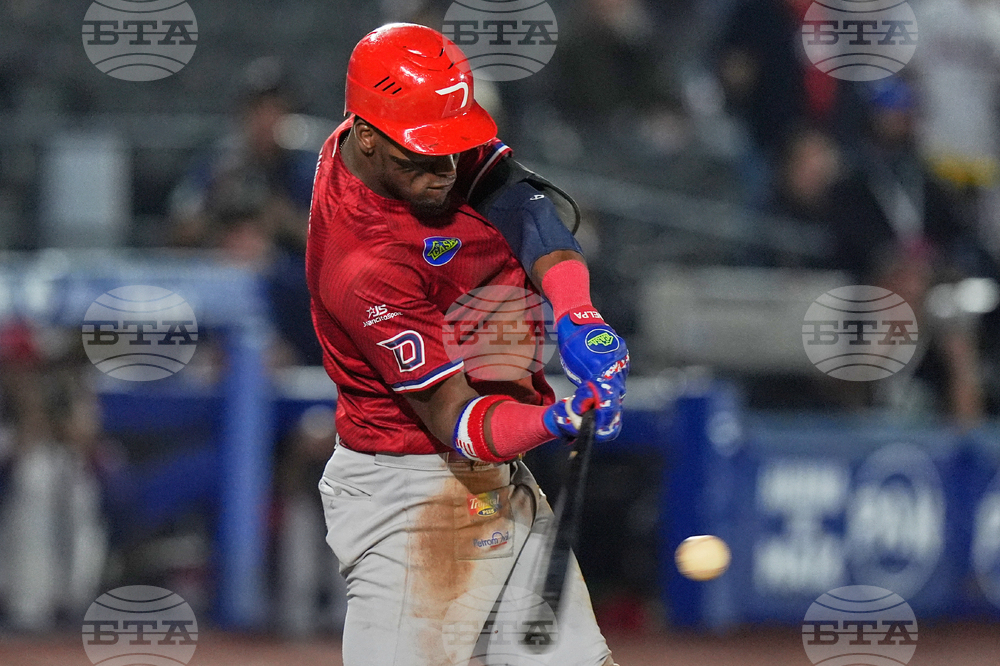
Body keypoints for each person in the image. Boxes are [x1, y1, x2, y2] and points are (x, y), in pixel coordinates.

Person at [306, 23, 629, 666]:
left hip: (492, 481)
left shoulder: (390, 133)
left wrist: (578, 313)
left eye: (451, 150)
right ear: (365, 138)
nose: (445, 172)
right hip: (409, 499)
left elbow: (525, 205)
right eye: (422, 158)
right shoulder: (361, 264)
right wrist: (556, 416)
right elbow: (460, 421)